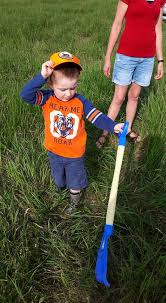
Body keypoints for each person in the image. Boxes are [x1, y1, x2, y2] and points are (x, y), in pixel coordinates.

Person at [20, 51, 124, 214]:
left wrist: (113, 126)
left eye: (73, 88)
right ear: (50, 85)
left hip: (74, 154)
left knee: (74, 184)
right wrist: (42, 76)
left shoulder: (80, 101)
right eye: (63, 89)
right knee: (59, 181)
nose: (68, 93)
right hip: (53, 151)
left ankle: (74, 204)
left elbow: (96, 117)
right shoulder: (47, 98)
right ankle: (61, 189)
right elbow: (25, 95)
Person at [96, 0, 165, 148]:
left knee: (134, 96)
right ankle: (105, 132)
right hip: (126, 56)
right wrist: (108, 57)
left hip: (147, 58)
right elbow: (117, 25)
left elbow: (158, 30)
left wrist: (160, 60)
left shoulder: (160, 1)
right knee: (119, 98)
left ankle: (127, 129)